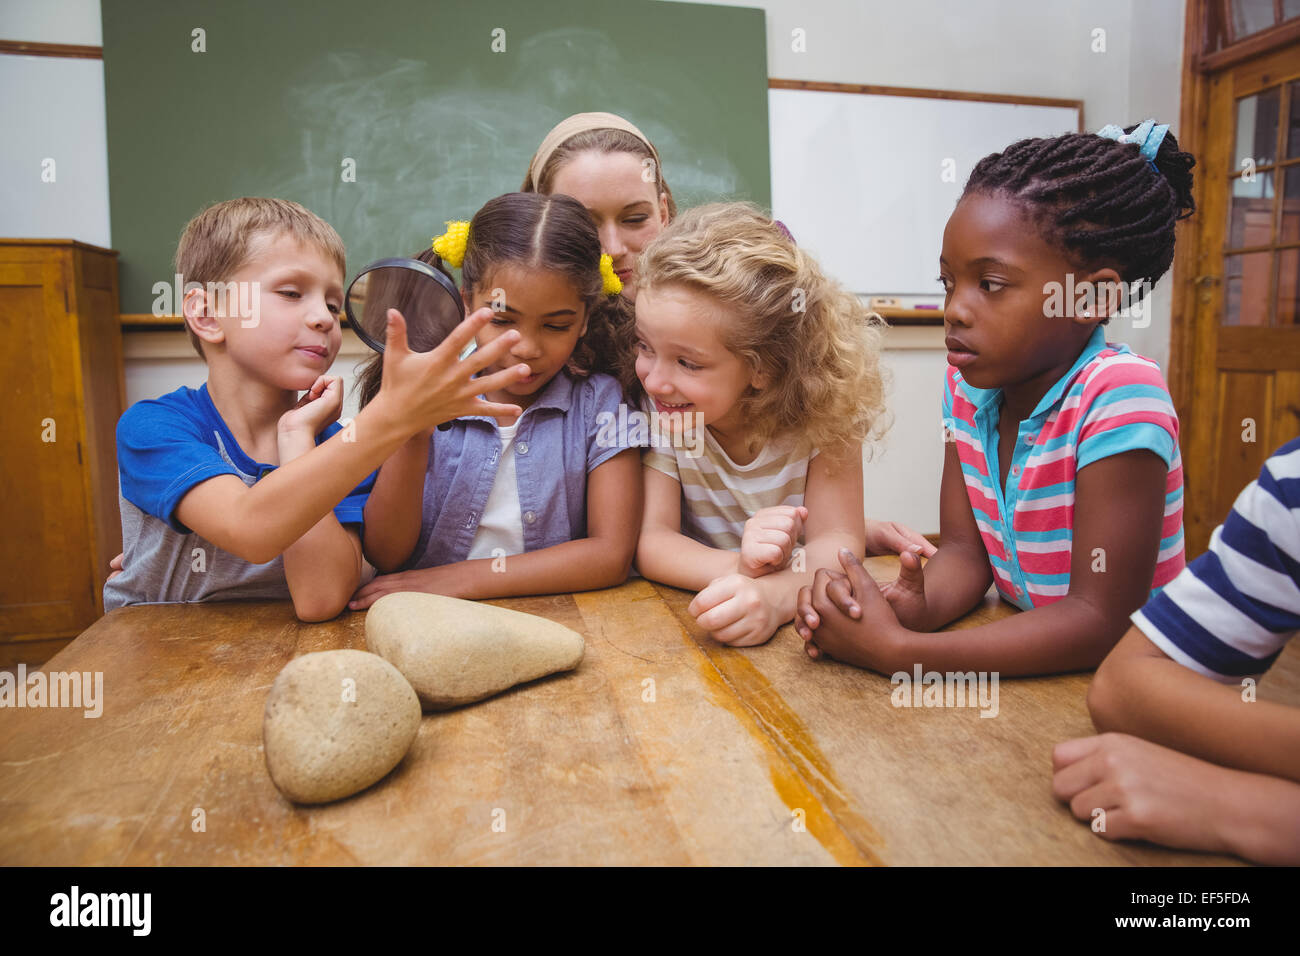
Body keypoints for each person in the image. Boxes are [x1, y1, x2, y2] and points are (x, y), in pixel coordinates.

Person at [797, 120, 1195, 675]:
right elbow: (964, 551)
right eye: (948, 283)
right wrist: (912, 607)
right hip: (1036, 666)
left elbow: (1100, 619)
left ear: (1091, 297)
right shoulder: (966, 388)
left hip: (1136, 677)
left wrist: (905, 654)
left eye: (990, 284)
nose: (955, 309)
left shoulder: (1120, 394)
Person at [103, 197, 528, 620]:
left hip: (273, 657)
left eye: (332, 304)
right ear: (208, 312)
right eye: (291, 293)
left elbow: (320, 599)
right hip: (154, 652)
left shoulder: (335, 446)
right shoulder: (155, 427)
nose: (324, 319)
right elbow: (249, 528)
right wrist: (393, 416)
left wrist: (298, 440)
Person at [632, 202, 914, 646]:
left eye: (687, 362)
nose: (655, 379)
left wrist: (774, 598)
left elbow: (837, 543)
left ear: (763, 368)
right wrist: (740, 571)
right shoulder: (669, 414)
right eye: (645, 346)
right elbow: (653, 541)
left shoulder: (827, 415)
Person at [347, 192, 641, 607]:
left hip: (551, 621)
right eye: (502, 320)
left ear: (586, 317)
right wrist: (412, 429)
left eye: (556, 325)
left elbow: (609, 556)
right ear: (467, 301)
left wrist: (453, 581)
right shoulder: (416, 394)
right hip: (421, 620)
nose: (527, 348)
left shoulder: (602, 405)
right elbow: (386, 553)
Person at [1052, 437, 1300, 865]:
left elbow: (1096, 618)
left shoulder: (1125, 396)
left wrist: (1263, 810)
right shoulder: (1289, 484)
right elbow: (1123, 685)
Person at [522, 111, 674, 302]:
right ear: (540, 227)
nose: (613, 250)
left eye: (635, 219)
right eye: (583, 225)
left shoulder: (719, 318)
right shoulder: (488, 322)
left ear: (662, 215)